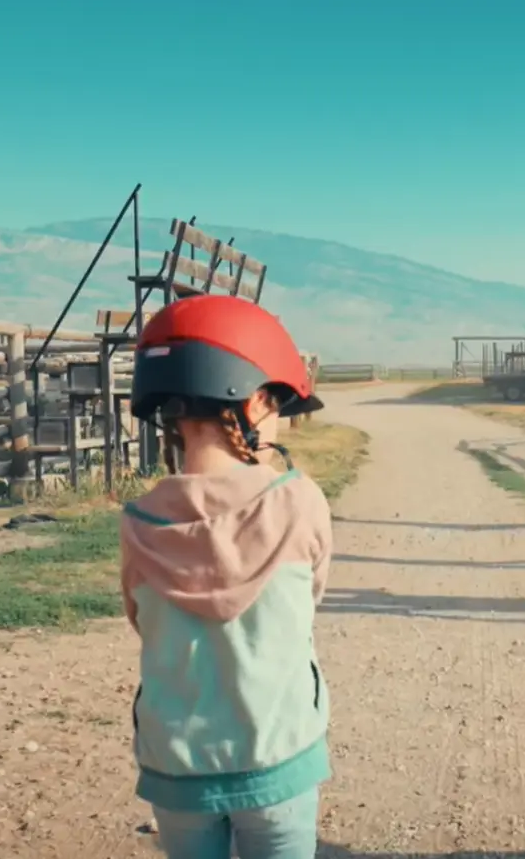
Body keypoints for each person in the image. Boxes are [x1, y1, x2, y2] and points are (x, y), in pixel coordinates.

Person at [120, 295, 335, 859]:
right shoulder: (299, 501)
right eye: (281, 403)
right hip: (277, 758)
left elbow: (143, 624)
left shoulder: (138, 523)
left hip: (176, 766)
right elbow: (310, 600)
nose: (285, 418)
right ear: (256, 401)